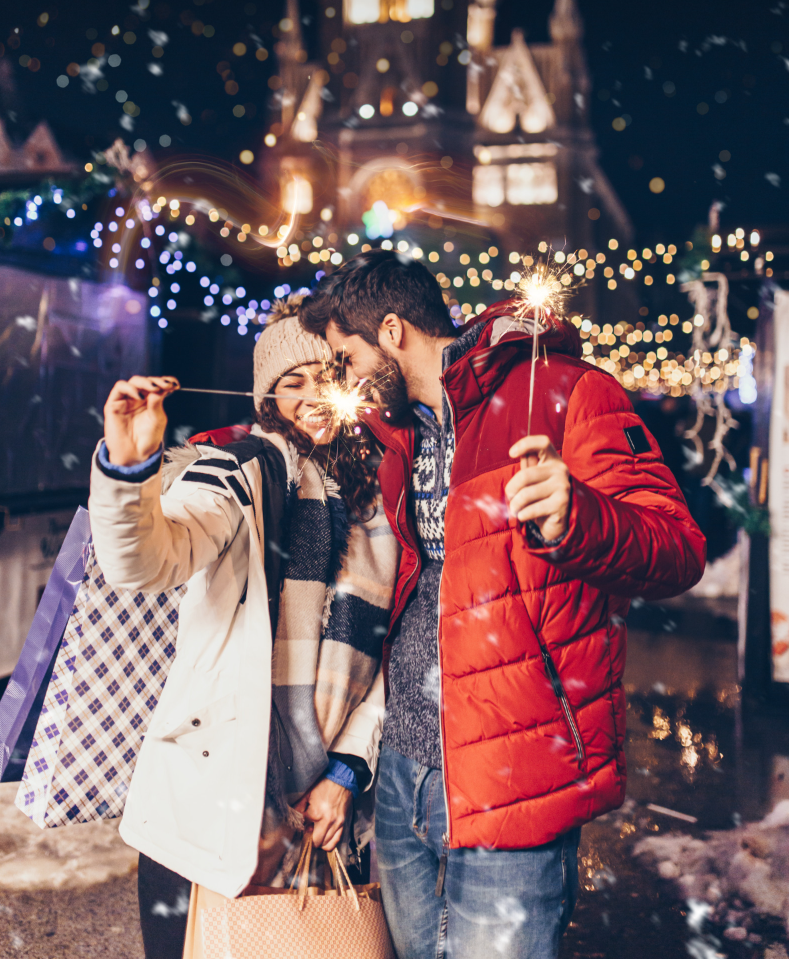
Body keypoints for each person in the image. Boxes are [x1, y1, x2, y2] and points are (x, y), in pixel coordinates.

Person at [299, 249, 706, 959]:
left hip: (514, 778)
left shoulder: (566, 391)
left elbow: (678, 548)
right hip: (402, 770)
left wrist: (577, 516)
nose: (347, 378)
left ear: (392, 331)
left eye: (347, 355)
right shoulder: (396, 436)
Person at [89, 295, 399, 959]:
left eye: (329, 375)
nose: (314, 394)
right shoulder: (242, 469)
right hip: (214, 796)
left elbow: (395, 647)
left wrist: (347, 770)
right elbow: (146, 559)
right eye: (293, 381)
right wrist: (128, 470)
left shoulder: (379, 498)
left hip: (326, 811)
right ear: (266, 395)